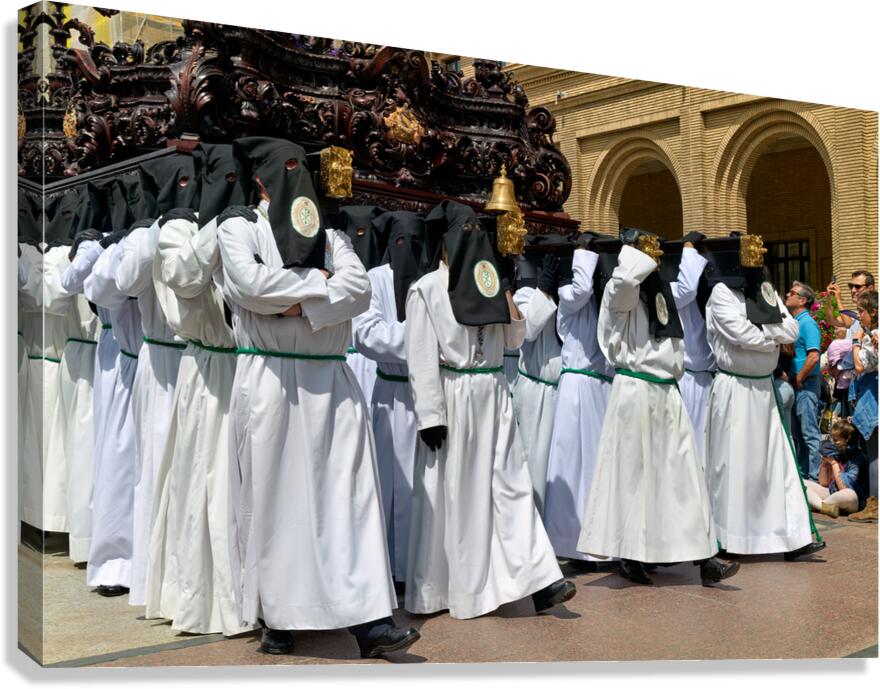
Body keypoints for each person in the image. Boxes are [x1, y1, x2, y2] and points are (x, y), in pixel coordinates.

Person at [218, 136, 418, 658]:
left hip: (332, 384)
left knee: (346, 499)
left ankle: (370, 621)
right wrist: (318, 290)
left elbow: (358, 291)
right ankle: (279, 617)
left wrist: (295, 303)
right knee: (276, 500)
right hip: (272, 381)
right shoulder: (239, 227)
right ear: (261, 179)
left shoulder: (329, 236)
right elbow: (249, 286)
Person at [404, 200, 575, 619]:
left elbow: (515, 340)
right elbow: (421, 355)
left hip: (494, 394)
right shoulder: (427, 288)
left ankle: (539, 580)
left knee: (512, 485)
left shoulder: (488, 282)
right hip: (455, 397)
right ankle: (454, 588)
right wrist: (430, 415)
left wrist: (504, 292)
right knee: (460, 496)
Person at [576, 229, 735, 586]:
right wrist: (634, 252)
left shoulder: (659, 295)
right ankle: (631, 556)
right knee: (634, 479)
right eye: (647, 255)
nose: (654, 261)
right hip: (636, 391)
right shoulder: (623, 296)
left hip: (667, 392)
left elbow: (683, 287)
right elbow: (622, 283)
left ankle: (703, 557)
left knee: (684, 478)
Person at [145, 142, 253, 636]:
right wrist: (220, 225)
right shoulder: (177, 229)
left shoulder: (251, 224)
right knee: (204, 485)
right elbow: (184, 278)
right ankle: (204, 597)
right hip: (208, 373)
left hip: (248, 370)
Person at [703, 234, 824, 561]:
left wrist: (766, 334)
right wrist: (771, 336)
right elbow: (737, 334)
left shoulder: (763, 291)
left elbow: (792, 331)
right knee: (737, 465)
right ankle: (733, 539)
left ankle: (791, 536)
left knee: (776, 464)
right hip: (737, 389)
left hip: (763, 391)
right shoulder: (721, 293)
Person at [115, 155, 196, 608]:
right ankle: (149, 582)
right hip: (159, 362)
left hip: (193, 362)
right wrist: (154, 227)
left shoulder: (205, 223)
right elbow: (127, 281)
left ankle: (185, 580)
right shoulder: (148, 233)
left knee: (188, 471)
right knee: (154, 470)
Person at [352, 210, 425, 586]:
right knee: (393, 483)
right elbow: (367, 334)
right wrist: (422, 338)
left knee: (424, 487)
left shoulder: (432, 280)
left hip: (427, 393)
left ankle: (422, 565)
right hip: (390, 394)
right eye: (400, 242)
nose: (407, 251)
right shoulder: (374, 279)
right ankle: (393, 569)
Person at [83, 221, 151, 596]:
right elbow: (97, 288)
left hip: (190, 365)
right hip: (134, 365)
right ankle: (117, 562)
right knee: (125, 465)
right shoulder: (130, 243)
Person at [543, 232, 613, 568]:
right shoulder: (567, 295)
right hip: (578, 386)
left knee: (598, 466)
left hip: (601, 388)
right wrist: (583, 251)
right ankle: (570, 542)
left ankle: (600, 539)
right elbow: (582, 288)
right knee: (572, 464)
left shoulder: (603, 302)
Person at [59, 228, 105, 562]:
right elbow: (65, 285)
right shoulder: (82, 249)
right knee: (85, 449)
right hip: (85, 358)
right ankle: (86, 541)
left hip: (105, 353)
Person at [510, 239, 564, 517]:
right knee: (534, 463)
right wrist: (542, 289)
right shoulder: (523, 293)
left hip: (561, 392)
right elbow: (527, 329)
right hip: (535, 391)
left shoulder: (564, 292)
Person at [668, 232, 716, 463]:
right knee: (689, 447)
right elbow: (686, 288)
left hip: (707, 380)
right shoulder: (674, 292)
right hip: (686, 380)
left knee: (707, 446)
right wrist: (688, 246)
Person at [338, 205, 389, 409]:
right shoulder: (337, 272)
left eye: (366, 234)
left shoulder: (381, 277)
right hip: (343, 358)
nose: (363, 241)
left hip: (376, 362)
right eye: (357, 233)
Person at [786, 281, 822, 481]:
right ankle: (803, 476)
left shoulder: (807, 323)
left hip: (805, 384)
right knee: (799, 435)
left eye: (792, 293)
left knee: (809, 433)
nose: (787, 294)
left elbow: (814, 356)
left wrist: (799, 378)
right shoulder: (797, 321)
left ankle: (814, 477)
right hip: (799, 384)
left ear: (803, 300)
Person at [848, 290, 878, 523]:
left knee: (874, 453)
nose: (859, 317)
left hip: (873, 399)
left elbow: (859, 367)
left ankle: (874, 504)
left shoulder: (872, 336)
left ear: (873, 312)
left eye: (861, 312)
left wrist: (856, 343)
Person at [804, 423, 863, 517]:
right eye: (832, 439)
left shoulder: (857, 458)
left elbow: (844, 488)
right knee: (801, 482)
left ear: (847, 440)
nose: (832, 443)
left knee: (849, 494)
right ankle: (823, 507)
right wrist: (824, 463)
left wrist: (833, 463)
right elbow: (824, 483)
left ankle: (816, 504)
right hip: (832, 494)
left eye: (836, 440)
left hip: (852, 501)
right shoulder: (836, 452)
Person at [824, 271, 875, 336]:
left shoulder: (874, 312)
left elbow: (848, 324)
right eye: (851, 286)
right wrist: (829, 297)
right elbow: (831, 321)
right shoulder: (856, 314)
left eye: (857, 286)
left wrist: (838, 299)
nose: (853, 290)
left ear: (870, 288)